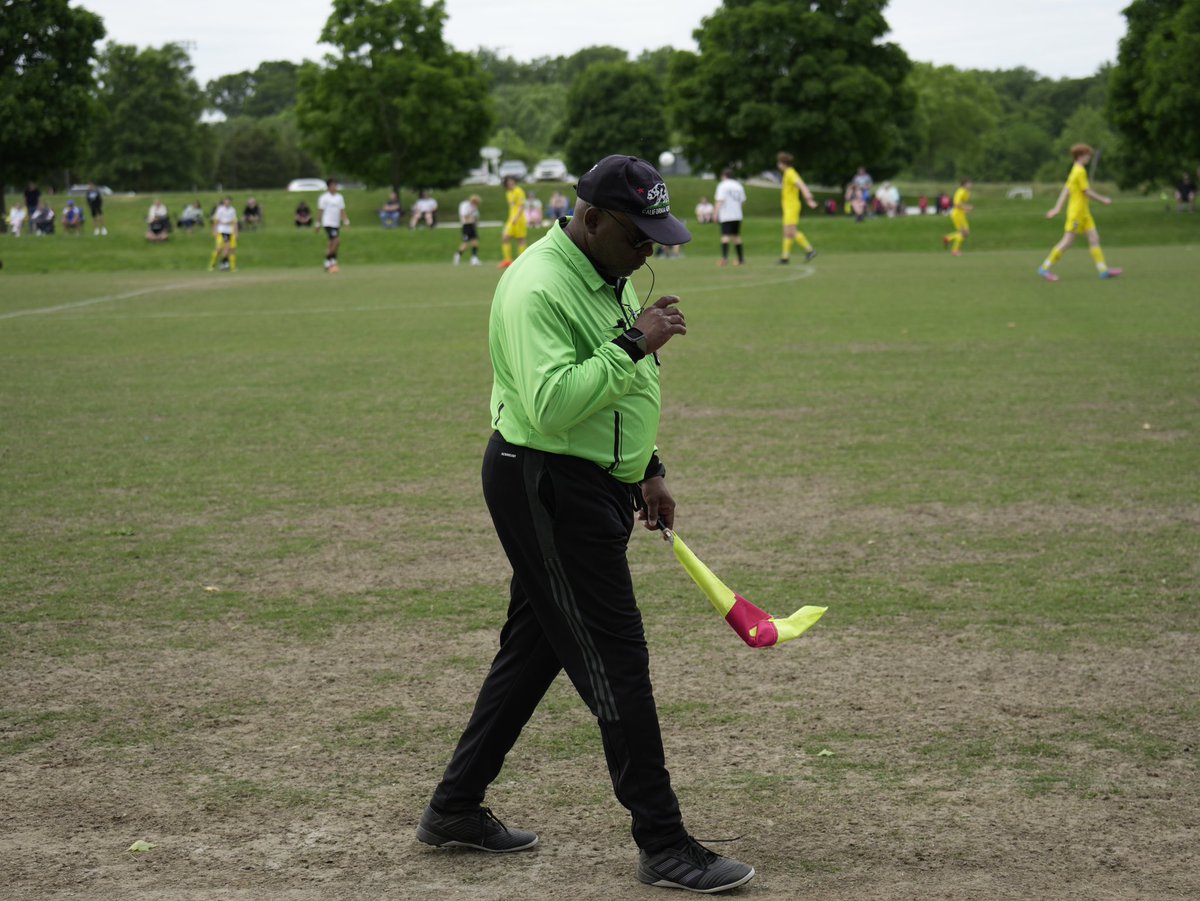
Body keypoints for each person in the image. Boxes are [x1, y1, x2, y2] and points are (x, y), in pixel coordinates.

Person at [416, 154, 755, 895]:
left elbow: (616, 391)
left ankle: (454, 807)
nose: (650, 253)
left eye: (659, 241)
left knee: (534, 649)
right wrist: (636, 341)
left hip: (592, 481)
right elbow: (550, 406)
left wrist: (647, 468)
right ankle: (664, 843)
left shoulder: (607, 272)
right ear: (592, 218)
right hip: (548, 483)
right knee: (615, 659)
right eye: (640, 237)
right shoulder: (539, 286)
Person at [1038, 143, 1122, 282]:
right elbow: (1086, 191)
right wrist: (1104, 200)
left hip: (1084, 213)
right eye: (1087, 155)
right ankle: (1044, 268)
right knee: (1067, 242)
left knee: (1094, 238)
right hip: (1076, 213)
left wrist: (1057, 208)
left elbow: (1066, 190)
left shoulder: (1075, 170)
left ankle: (1103, 271)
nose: (1089, 158)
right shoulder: (1079, 171)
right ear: (1080, 156)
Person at [776, 151, 818, 263]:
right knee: (787, 232)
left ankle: (810, 250)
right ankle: (785, 258)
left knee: (792, 231)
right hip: (787, 207)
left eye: (779, 163)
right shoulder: (787, 173)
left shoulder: (790, 172)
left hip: (792, 206)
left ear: (783, 163)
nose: (778, 165)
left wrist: (808, 198)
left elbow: (801, 184)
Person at [713, 169, 746, 267]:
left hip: (727, 215)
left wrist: (715, 213)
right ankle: (740, 259)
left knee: (725, 236)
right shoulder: (738, 185)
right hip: (737, 215)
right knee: (736, 236)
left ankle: (724, 259)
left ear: (724, 176)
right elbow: (743, 200)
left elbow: (720, 200)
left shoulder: (723, 185)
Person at [316, 178, 349, 273]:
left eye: (336, 185)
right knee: (337, 241)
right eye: (333, 185)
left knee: (331, 244)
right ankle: (329, 261)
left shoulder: (339, 197)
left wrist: (346, 222)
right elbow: (320, 211)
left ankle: (330, 263)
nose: (335, 187)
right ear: (329, 187)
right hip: (327, 223)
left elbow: (342, 210)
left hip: (336, 223)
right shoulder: (324, 198)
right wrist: (318, 223)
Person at [498, 174, 527, 268]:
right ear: (506, 184)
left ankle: (522, 261)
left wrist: (517, 217)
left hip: (519, 219)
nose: (511, 184)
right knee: (505, 238)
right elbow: (512, 207)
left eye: (512, 182)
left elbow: (521, 205)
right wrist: (512, 218)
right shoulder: (508, 193)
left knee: (521, 239)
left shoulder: (519, 191)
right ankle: (507, 260)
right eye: (508, 182)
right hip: (511, 219)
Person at [208, 196, 239, 272]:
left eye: (229, 201)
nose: (227, 203)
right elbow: (216, 220)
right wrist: (214, 230)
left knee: (231, 249)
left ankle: (232, 267)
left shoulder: (232, 210)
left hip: (230, 231)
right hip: (222, 231)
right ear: (224, 202)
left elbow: (235, 222)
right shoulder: (220, 209)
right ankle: (213, 265)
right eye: (226, 201)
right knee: (220, 249)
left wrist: (236, 232)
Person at [943, 178, 972, 256]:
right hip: (957, 214)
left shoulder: (967, 192)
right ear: (964, 184)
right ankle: (955, 251)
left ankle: (948, 238)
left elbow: (962, 203)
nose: (971, 185)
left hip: (961, 214)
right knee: (963, 233)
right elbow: (956, 204)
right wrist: (966, 207)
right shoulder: (960, 191)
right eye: (969, 183)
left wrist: (965, 210)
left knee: (966, 233)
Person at [453, 194, 482, 266]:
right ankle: (457, 255)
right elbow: (465, 216)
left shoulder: (474, 207)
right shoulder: (465, 205)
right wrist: (472, 219)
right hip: (466, 226)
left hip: (472, 226)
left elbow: (476, 217)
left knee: (475, 242)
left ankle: (474, 259)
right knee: (465, 244)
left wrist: (476, 221)